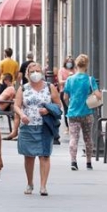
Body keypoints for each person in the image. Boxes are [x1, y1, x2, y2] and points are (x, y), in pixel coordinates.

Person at [14, 62, 62, 196]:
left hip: (45, 126)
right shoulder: (23, 89)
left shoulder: (49, 87)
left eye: (38, 70)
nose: (35, 73)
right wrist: (22, 114)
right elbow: (17, 105)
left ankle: (43, 186)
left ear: (42, 72)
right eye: (32, 71)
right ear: (27, 74)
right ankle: (30, 183)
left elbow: (58, 105)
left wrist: (47, 110)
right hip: (28, 126)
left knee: (44, 155)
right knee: (29, 156)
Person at [61, 54, 101, 171]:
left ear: (76, 65)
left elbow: (65, 96)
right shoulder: (90, 79)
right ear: (87, 65)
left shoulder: (70, 79)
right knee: (88, 138)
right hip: (87, 113)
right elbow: (98, 95)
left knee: (73, 138)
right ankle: (88, 162)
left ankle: (73, 162)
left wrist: (70, 106)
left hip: (73, 113)